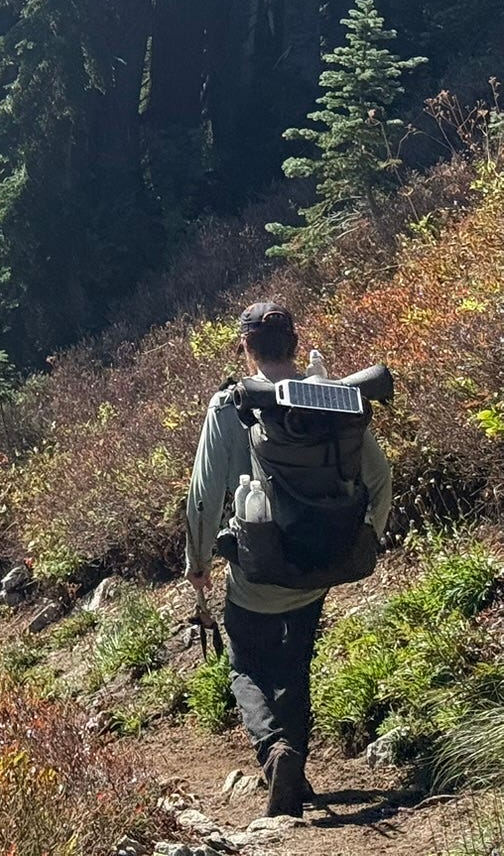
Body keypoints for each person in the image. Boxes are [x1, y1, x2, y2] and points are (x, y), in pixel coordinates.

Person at [185, 301, 393, 819]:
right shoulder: (328, 397)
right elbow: (379, 476)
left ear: (245, 347)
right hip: (320, 562)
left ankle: (275, 750)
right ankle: (293, 772)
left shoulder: (228, 404)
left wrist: (198, 564)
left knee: (245, 665)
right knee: (295, 664)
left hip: (256, 569)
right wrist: (365, 535)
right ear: (295, 344)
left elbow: (204, 498)